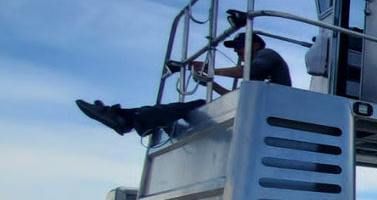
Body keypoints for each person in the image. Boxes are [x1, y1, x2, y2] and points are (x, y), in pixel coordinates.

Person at [76, 33, 293, 136]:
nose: (236, 51)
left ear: (255, 44)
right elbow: (232, 95)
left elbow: (251, 70)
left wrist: (210, 70)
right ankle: (136, 119)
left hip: (276, 113)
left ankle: (128, 118)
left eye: (238, 44)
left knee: (196, 104)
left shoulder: (268, 55)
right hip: (264, 114)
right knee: (191, 108)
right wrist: (210, 81)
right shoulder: (256, 81)